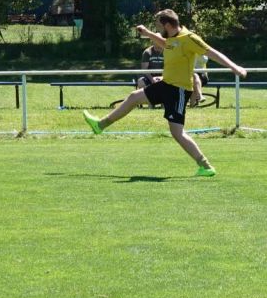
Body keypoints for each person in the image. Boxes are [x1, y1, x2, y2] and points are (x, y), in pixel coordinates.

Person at [83, 10, 247, 176]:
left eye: (158, 26)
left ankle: (205, 166)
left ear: (167, 25)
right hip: (166, 84)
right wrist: (148, 33)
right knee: (134, 97)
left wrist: (235, 67)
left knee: (177, 133)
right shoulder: (172, 39)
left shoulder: (189, 38)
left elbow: (212, 52)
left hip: (179, 91)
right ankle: (100, 125)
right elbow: (166, 44)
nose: (158, 29)